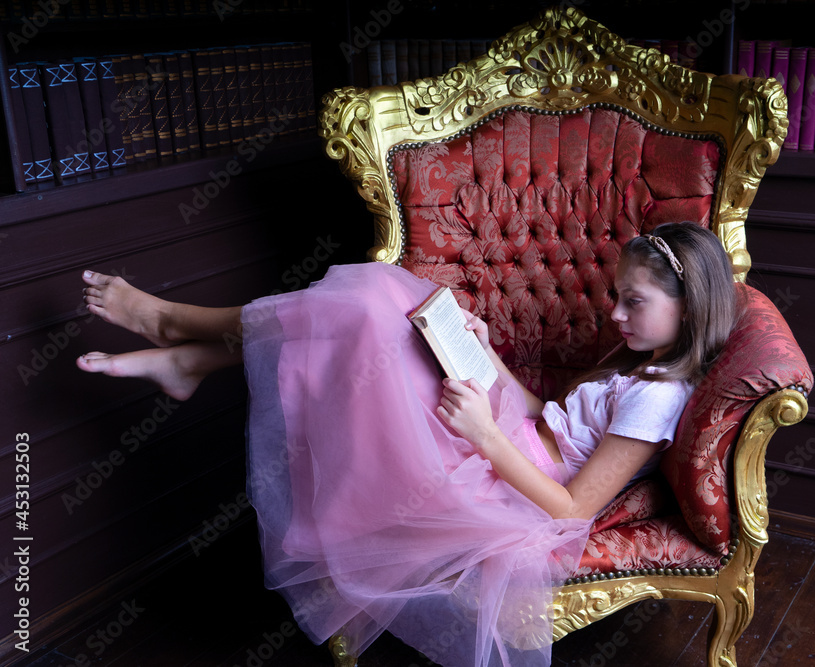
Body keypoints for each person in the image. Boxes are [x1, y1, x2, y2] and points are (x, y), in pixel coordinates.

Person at [77, 221, 738, 667]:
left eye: (633, 301)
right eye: (618, 296)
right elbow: (548, 416)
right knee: (379, 297)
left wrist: (484, 435)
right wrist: (486, 354)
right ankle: (188, 356)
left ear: (687, 307)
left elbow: (570, 508)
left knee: (366, 310)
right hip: (506, 434)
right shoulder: (640, 363)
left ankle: (178, 330)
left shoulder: (659, 397)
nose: (614, 315)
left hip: (503, 482)